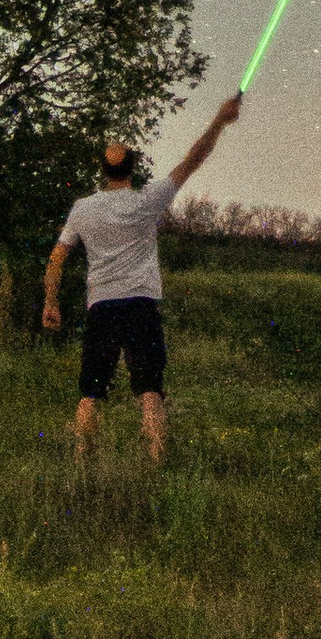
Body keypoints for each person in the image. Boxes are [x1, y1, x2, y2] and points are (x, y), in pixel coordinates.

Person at [40, 87, 244, 468]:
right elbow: (193, 159)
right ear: (132, 167)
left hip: (101, 306)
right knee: (149, 390)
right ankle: (157, 464)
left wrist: (50, 302)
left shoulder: (82, 209)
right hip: (141, 305)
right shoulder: (147, 200)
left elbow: (56, 259)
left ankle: (82, 464)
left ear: (103, 170)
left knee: (90, 391)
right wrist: (219, 120)